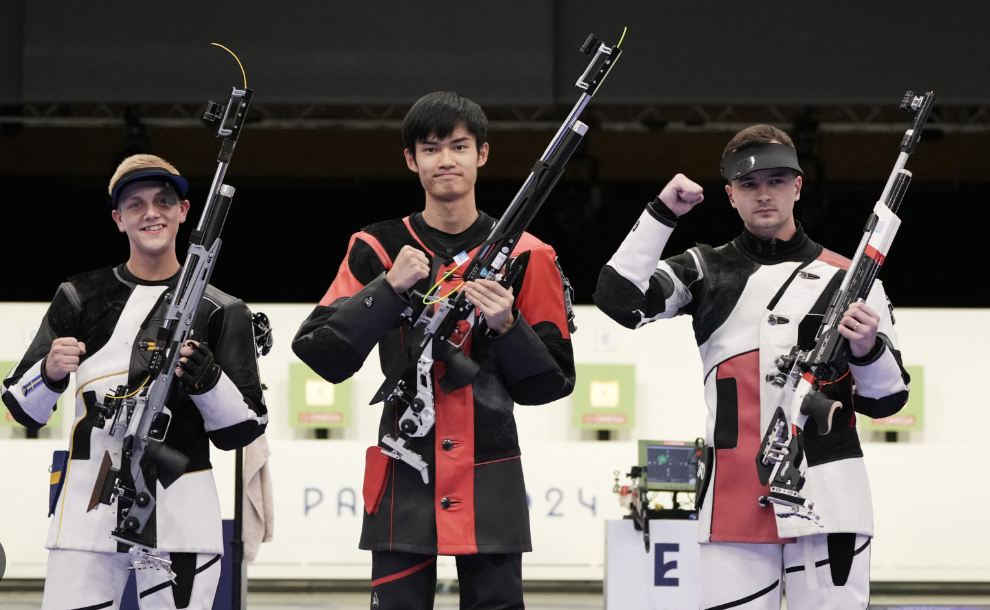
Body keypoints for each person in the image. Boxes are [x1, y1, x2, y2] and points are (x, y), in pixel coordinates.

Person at [594, 125, 910, 610]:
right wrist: (661, 213)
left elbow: (886, 402)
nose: (764, 194)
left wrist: (868, 347)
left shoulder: (853, 279)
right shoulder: (702, 268)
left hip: (830, 497)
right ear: (730, 195)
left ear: (798, 186)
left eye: (777, 181)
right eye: (749, 184)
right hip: (731, 497)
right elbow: (618, 300)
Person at [292, 91, 576, 610]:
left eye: (459, 146)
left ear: (482, 154)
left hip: (491, 472)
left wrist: (508, 325)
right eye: (430, 148)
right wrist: (387, 289)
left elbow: (552, 384)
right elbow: (321, 355)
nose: (445, 160)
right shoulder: (377, 247)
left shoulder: (529, 254)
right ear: (411, 160)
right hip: (404, 469)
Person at [1, 154, 268, 610]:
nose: (151, 213)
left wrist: (209, 381)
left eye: (163, 201)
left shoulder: (223, 310)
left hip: (182, 514)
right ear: (118, 219)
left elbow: (243, 430)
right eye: (136, 204)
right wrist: (49, 372)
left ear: (184, 211)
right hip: (86, 512)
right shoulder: (80, 296)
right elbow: (20, 407)